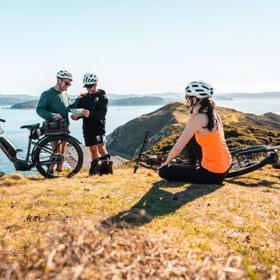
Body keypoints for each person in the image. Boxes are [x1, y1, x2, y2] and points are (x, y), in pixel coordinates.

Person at [159, 81, 232, 184]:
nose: (186, 99)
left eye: (187, 97)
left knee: (163, 171)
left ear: (194, 99)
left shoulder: (198, 119)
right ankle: (192, 167)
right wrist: (194, 112)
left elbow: (178, 148)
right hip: (226, 165)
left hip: (212, 174)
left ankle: (193, 169)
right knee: (191, 137)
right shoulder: (213, 114)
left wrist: (166, 163)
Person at [70, 73, 112, 176]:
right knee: (93, 151)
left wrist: (89, 114)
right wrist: (76, 115)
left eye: (90, 86)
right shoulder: (84, 97)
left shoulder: (103, 97)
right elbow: (75, 110)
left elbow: (102, 114)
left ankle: (106, 173)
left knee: (101, 149)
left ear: (96, 84)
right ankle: (94, 173)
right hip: (87, 128)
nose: (88, 88)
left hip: (98, 127)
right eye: (87, 86)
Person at [36, 70, 73, 174]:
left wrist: (77, 111)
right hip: (53, 127)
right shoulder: (47, 93)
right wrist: (51, 115)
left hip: (65, 126)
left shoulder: (65, 93)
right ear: (59, 80)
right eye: (66, 83)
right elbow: (40, 109)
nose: (68, 85)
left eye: (70, 83)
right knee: (55, 150)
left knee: (62, 150)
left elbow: (68, 107)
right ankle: (50, 171)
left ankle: (60, 170)